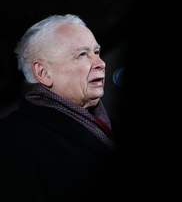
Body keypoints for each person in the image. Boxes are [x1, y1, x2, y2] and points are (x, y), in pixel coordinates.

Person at [0, 14, 119, 201]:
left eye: (96, 52)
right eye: (82, 54)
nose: (100, 63)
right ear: (43, 73)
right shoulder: (11, 142)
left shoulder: (105, 121)